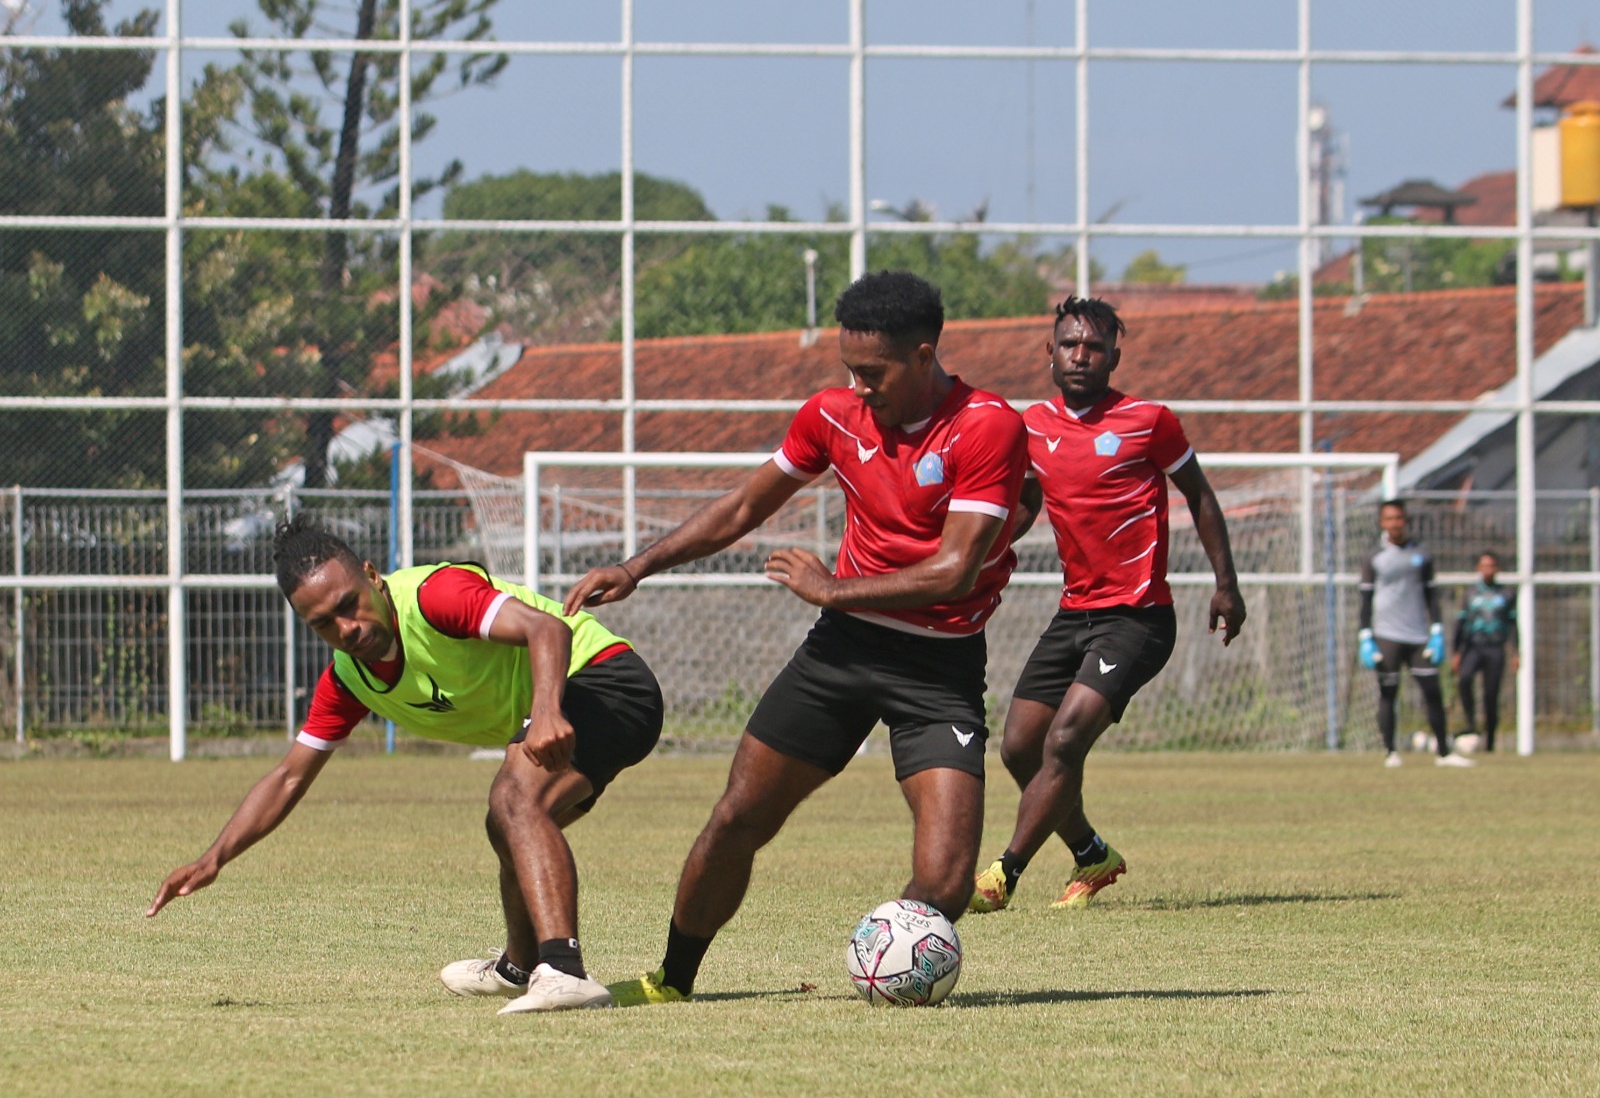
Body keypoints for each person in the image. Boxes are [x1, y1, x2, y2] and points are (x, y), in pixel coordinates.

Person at [562, 270, 1030, 1006]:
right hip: (839, 655)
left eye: (872, 372)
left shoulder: (988, 424)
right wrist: (637, 566)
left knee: (945, 881)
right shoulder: (832, 415)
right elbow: (745, 505)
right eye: (849, 369)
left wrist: (829, 587)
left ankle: (895, 968)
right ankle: (671, 981)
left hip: (937, 669)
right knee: (738, 817)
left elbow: (954, 568)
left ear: (922, 354)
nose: (859, 385)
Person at [147, 514, 664, 1014]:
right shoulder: (350, 677)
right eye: (324, 624)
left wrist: (548, 710)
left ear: (372, 576)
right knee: (508, 824)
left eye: (349, 604)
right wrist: (213, 858)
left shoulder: (434, 597)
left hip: (605, 682)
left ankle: (564, 971)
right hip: (569, 703)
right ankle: (520, 967)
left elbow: (547, 629)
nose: (347, 627)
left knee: (514, 800)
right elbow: (288, 776)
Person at [968, 295, 1246, 914]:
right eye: (1070, 344)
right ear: (1050, 352)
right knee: (1017, 748)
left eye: (1094, 347)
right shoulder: (1033, 427)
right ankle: (1092, 854)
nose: (1081, 356)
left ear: (1115, 356)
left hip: (1139, 616)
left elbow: (1199, 496)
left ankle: (1003, 873)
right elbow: (1027, 505)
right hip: (1075, 612)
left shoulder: (1151, 420)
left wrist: (1226, 582)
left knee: (1064, 742)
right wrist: (976, 552)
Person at [1356, 500, 1473, 768]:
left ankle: (1443, 753)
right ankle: (1390, 752)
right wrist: (1365, 635)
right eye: (1389, 519)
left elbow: (1431, 595)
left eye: (1399, 518)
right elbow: (1365, 598)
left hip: (1419, 634)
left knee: (1432, 691)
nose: (1395, 523)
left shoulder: (1421, 554)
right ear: (1382, 523)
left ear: (1406, 520)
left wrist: (1436, 630)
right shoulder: (1373, 556)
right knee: (1389, 692)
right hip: (1385, 633)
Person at [1452, 549, 1518, 753]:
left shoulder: (1506, 593)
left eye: (1492, 565)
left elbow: (1513, 624)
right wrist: (1456, 651)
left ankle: (1489, 743)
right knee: (1464, 679)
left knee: (1491, 695)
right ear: (1478, 568)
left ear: (1497, 568)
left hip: (1495, 648)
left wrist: (1516, 651)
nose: (1488, 569)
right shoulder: (1470, 593)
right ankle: (1471, 723)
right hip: (1473, 646)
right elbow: (1461, 623)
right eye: (1484, 565)